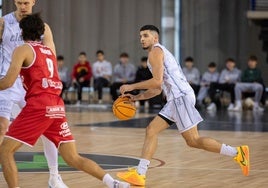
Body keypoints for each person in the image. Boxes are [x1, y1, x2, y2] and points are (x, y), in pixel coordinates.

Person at [0, 13, 129, 188]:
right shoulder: (49, 51)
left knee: (5, 150)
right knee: (72, 157)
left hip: (40, 104)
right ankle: (113, 182)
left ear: (22, 31)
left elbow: (8, 81)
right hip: (57, 105)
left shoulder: (23, 49)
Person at [116, 25, 250, 186]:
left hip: (180, 98)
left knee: (193, 140)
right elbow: (157, 89)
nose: (142, 39)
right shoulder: (156, 54)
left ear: (155, 38)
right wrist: (136, 97)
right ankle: (140, 173)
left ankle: (238, 152)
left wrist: (131, 86)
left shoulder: (155, 52)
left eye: (145, 35)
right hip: (176, 98)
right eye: (140, 36)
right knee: (151, 130)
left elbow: (157, 81)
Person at [0, 1, 67, 187]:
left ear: (33, 2)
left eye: (26, 2)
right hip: (8, 79)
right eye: (20, 2)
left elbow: (51, 56)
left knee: (48, 131)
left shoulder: (43, 27)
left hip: (32, 84)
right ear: (14, 2)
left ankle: (54, 176)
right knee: (2, 126)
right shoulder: (3, 23)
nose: (23, 6)